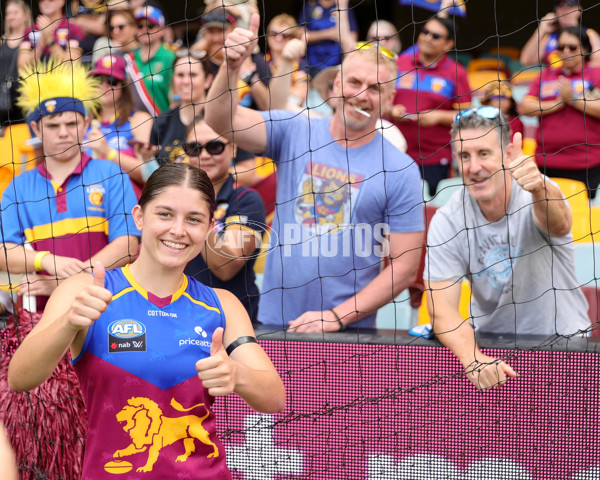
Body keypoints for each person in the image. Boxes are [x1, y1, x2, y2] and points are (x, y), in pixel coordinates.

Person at [7, 162, 285, 478]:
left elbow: (275, 399)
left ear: (209, 228)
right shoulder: (86, 290)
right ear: (139, 217)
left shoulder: (221, 305)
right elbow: (20, 378)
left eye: (193, 220)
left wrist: (236, 374)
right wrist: (68, 323)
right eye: (164, 214)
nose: (178, 230)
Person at [206, 15, 424, 332]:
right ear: (336, 85)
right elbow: (219, 121)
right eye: (354, 82)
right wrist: (231, 66)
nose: (362, 95)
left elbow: (404, 268)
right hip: (275, 322)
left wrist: (337, 317)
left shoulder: (401, 169)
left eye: (376, 88)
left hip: (351, 335)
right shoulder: (296, 129)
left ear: (390, 99)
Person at [425, 106, 590, 390]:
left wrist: (539, 188)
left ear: (508, 153)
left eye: (484, 153)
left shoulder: (539, 191)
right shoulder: (448, 218)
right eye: (465, 156)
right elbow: (441, 309)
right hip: (492, 349)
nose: (474, 167)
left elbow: (559, 224)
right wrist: (472, 357)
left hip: (564, 346)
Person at [1, 58, 140, 308]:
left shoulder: (110, 173)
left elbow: (127, 244)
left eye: (71, 123)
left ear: (86, 124)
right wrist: (45, 261)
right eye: (53, 125)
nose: (63, 133)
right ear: (36, 128)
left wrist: (69, 282)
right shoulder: (18, 187)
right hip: (42, 313)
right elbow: (3, 252)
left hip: (108, 305)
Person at [183, 119, 266, 323]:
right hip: (180, 314)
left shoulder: (246, 199)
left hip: (231, 322)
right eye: (194, 148)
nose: (204, 155)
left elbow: (227, 267)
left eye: (214, 146)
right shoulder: (176, 198)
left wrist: (196, 213)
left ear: (233, 149)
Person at [389, 16, 472, 195]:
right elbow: (379, 101)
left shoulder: (457, 72)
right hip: (392, 152)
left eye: (435, 36)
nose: (427, 38)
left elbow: (467, 115)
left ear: (448, 44)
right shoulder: (399, 63)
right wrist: (390, 111)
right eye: (425, 32)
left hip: (433, 158)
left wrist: (439, 116)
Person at [520, 26, 600, 198]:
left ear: (585, 50)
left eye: (572, 47)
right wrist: (558, 103)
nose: (565, 51)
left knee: (585, 221)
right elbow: (525, 107)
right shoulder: (546, 75)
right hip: (547, 163)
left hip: (586, 164)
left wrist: (574, 100)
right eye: (561, 47)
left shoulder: (596, 75)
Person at [85, 54, 153, 198]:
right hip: (88, 202)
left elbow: (147, 174)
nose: (104, 85)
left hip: (126, 201)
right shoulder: (82, 123)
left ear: (123, 85)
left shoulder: (139, 120)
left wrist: (107, 151)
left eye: (111, 81)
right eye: (98, 80)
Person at [193, 7, 271, 110]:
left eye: (221, 30)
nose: (216, 38)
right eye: (211, 31)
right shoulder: (199, 63)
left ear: (234, 28)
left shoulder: (255, 59)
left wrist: (249, 75)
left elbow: (269, 107)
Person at [125, 5, 175, 115]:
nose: (144, 30)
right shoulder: (129, 59)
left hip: (163, 123)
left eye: (150, 26)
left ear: (162, 30)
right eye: (140, 26)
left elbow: (174, 98)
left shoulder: (170, 57)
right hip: (136, 125)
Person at [520, 0, 600, 68]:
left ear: (579, 10)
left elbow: (597, 64)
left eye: (569, 5)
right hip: (553, 82)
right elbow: (526, 61)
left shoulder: (589, 34)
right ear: (555, 11)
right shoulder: (549, 37)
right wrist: (541, 29)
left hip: (579, 83)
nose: (564, 10)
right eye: (560, 6)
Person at [17, 0, 84, 70]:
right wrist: (41, 44)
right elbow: (22, 68)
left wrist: (50, 40)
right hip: (36, 79)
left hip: (64, 79)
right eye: (41, 0)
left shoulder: (73, 28)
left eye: (51, 0)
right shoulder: (30, 30)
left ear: (62, 2)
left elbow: (71, 67)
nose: (46, 2)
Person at [298, 0, 359, 76]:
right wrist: (329, 34)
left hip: (336, 65)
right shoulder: (311, 5)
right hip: (311, 65)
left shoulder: (342, 6)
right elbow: (301, 35)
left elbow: (353, 39)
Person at [265, 14, 309, 109]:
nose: (278, 38)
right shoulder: (261, 60)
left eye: (285, 35)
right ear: (267, 35)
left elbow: (301, 97)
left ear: (293, 38)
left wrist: (271, 90)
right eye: (273, 33)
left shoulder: (299, 63)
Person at [0, 0, 31, 127]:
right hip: (4, 96)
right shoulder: (2, 40)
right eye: (8, 13)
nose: (11, 16)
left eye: (15, 12)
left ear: (26, 14)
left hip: (24, 95)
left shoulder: (33, 38)